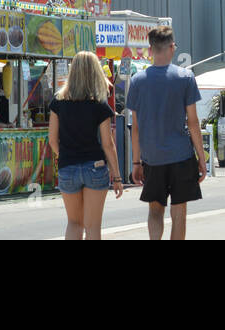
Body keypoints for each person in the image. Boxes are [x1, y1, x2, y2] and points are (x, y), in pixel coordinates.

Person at [126, 26, 205, 241]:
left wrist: (136, 162)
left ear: (150, 50)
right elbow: (193, 122)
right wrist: (202, 158)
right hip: (181, 156)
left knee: (155, 209)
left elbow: (136, 127)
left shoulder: (137, 81)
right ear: (172, 47)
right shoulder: (185, 77)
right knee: (179, 213)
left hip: (152, 157)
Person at [49, 50, 124, 240]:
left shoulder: (58, 103)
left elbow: (52, 140)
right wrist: (117, 177)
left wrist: (65, 155)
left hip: (67, 167)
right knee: (92, 227)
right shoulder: (99, 105)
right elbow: (108, 144)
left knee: (74, 223)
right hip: (95, 166)